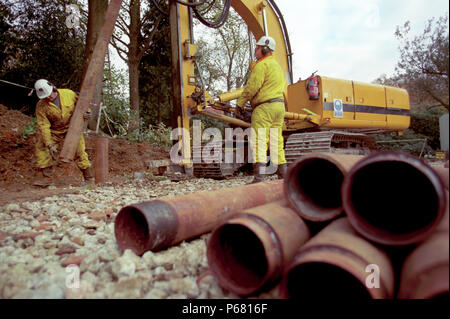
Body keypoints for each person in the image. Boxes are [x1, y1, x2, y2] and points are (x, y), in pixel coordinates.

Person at [236, 36, 287, 183]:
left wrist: (240, 103)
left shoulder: (261, 65)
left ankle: (259, 177)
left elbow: (252, 87)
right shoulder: (278, 67)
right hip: (279, 107)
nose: (255, 51)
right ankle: (283, 174)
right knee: (276, 141)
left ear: (264, 49)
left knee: (259, 140)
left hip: (264, 107)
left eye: (257, 48)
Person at [34, 79, 93, 183]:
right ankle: (46, 178)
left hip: (72, 127)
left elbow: (83, 102)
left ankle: (88, 177)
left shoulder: (68, 94)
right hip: (55, 131)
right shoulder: (41, 106)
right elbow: (43, 126)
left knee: (79, 150)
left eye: (49, 94)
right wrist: (49, 144)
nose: (48, 97)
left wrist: (87, 111)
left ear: (53, 88)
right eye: (45, 97)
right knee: (42, 148)